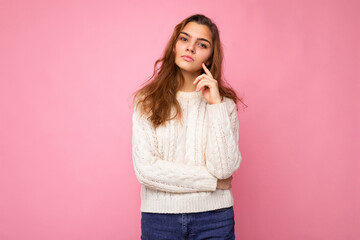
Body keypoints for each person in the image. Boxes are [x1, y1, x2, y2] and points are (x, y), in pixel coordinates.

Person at [131, 13, 247, 240]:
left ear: (211, 56)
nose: (190, 48)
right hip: (160, 219)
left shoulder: (224, 105)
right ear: (174, 45)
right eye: (184, 39)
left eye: (201, 44)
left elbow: (223, 169)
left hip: (215, 219)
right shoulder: (146, 101)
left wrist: (215, 105)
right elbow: (146, 170)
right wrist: (212, 182)